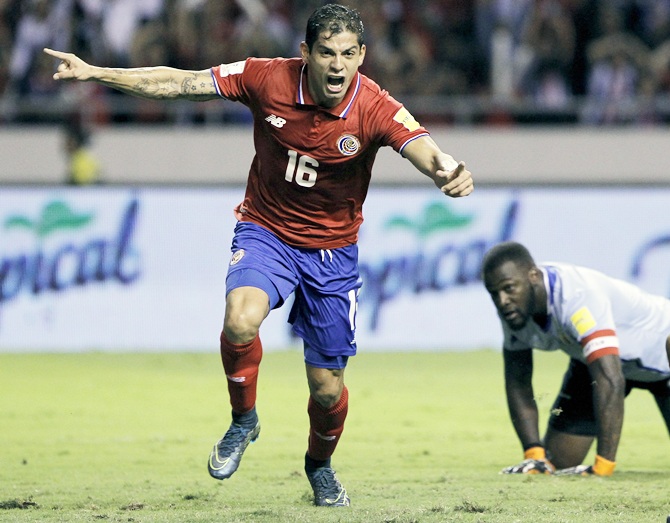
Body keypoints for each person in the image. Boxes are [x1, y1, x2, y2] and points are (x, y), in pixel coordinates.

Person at [43, 4, 474, 507]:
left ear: (362, 56)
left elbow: (420, 143)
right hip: (265, 230)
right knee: (241, 320)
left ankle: (319, 466)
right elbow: (179, 82)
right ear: (305, 53)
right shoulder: (264, 78)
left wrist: (446, 171)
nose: (338, 66)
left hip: (333, 253)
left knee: (327, 390)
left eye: (348, 55)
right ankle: (243, 419)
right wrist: (97, 72)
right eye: (327, 53)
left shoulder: (373, 105)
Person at [481, 241, 670, 477]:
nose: (502, 300)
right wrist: (533, 453)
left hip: (662, 360)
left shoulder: (576, 296)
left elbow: (610, 379)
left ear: (533, 276)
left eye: (508, 288)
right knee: (555, 464)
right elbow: (518, 381)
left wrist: (603, 466)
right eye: (494, 293)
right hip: (595, 364)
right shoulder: (514, 309)